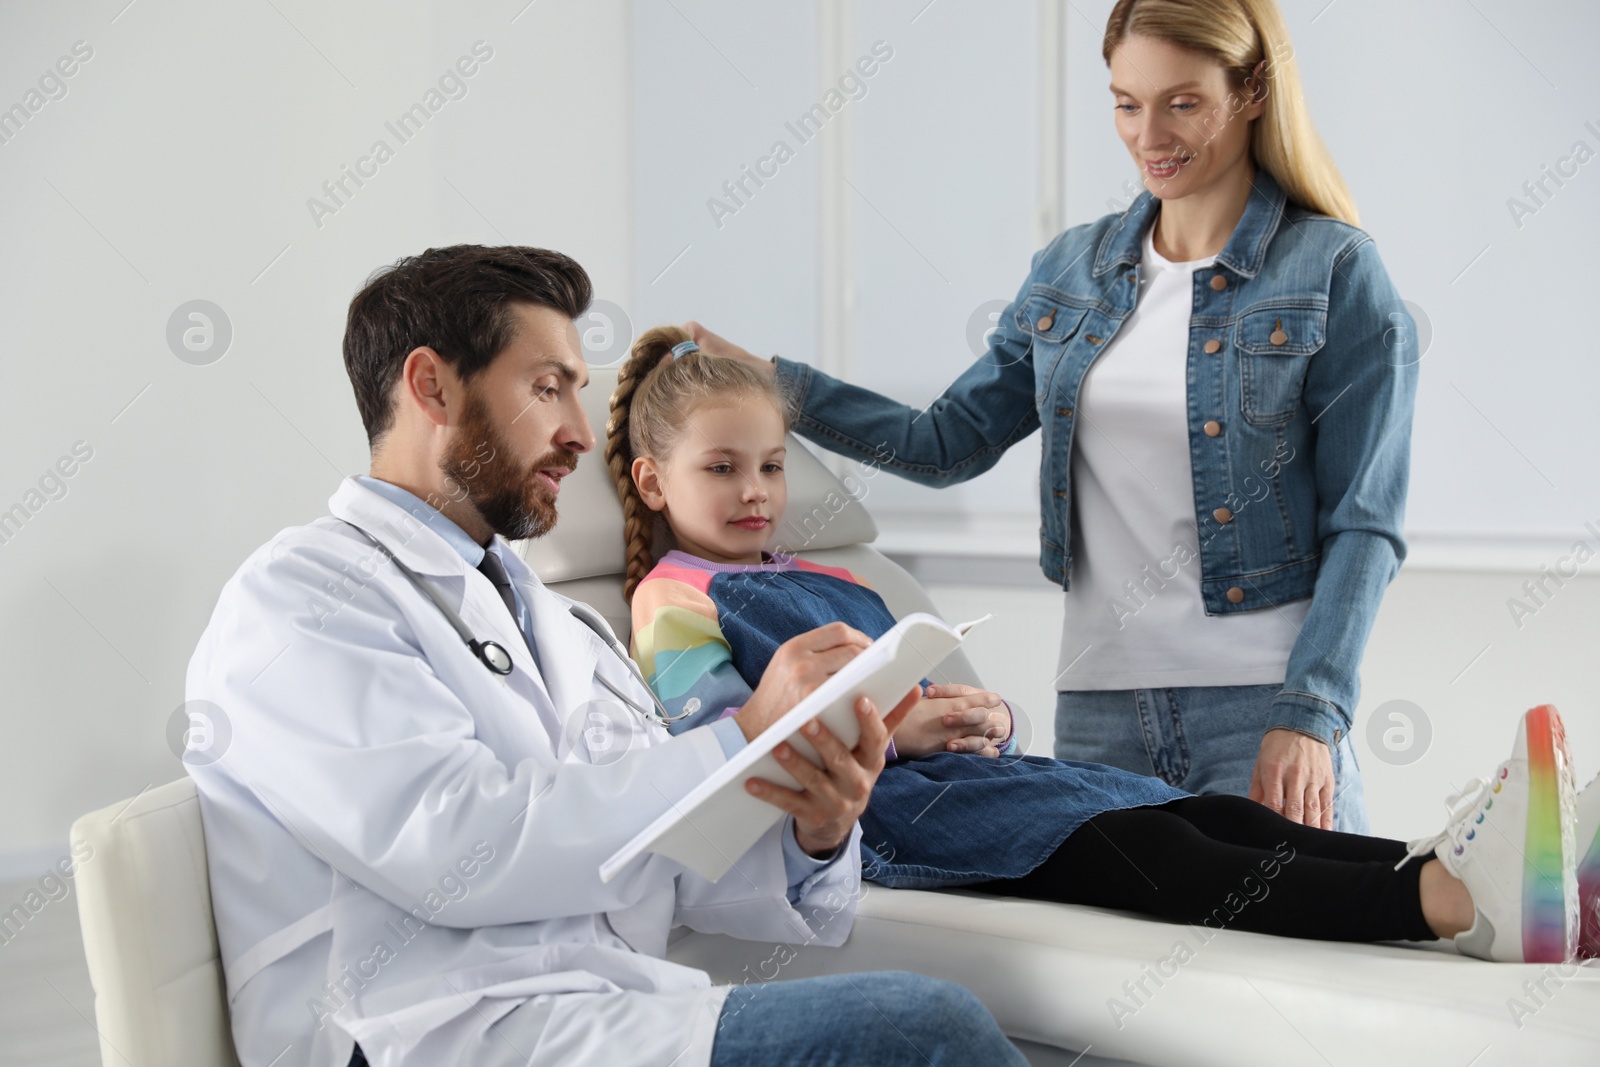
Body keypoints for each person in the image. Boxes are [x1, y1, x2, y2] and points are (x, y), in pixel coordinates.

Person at [183, 245, 1028, 1067]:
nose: (582, 435)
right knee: (920, 1030)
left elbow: (669, 860)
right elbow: (453, 848)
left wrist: (812, 831)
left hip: (600, 1011)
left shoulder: (552, 620)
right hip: (426, 1034)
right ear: (430, 384)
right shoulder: (303, 596)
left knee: (932, 1016)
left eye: (578, 394)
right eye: (546, 387)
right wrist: (742, 736)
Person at [605, 325, 1585, 965]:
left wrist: (990, 713)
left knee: (1215, 813)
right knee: (1153, 846)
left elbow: (944, 707)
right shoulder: (674, 598)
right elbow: (722, 748)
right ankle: (1446, 899)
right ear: (653, 482)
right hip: (886, 825)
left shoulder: (841, 578)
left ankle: (1475, 860)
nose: (755, 490)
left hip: (980, 781)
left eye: (771, 464)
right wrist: (895, 736)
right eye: (721, 467)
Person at [687, 0, 1418, 835]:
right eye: (1126, 103)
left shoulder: (1334, 270)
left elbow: (1365, 525)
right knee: (1110, 962)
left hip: (1261, 708)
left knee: (1301, 956)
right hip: (1100, 712)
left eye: (1183, 102)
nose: (1150, 136)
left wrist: (1312, 712)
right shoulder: (1073, 270)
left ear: (1252, 90)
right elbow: (944, 443)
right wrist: (776, 386)